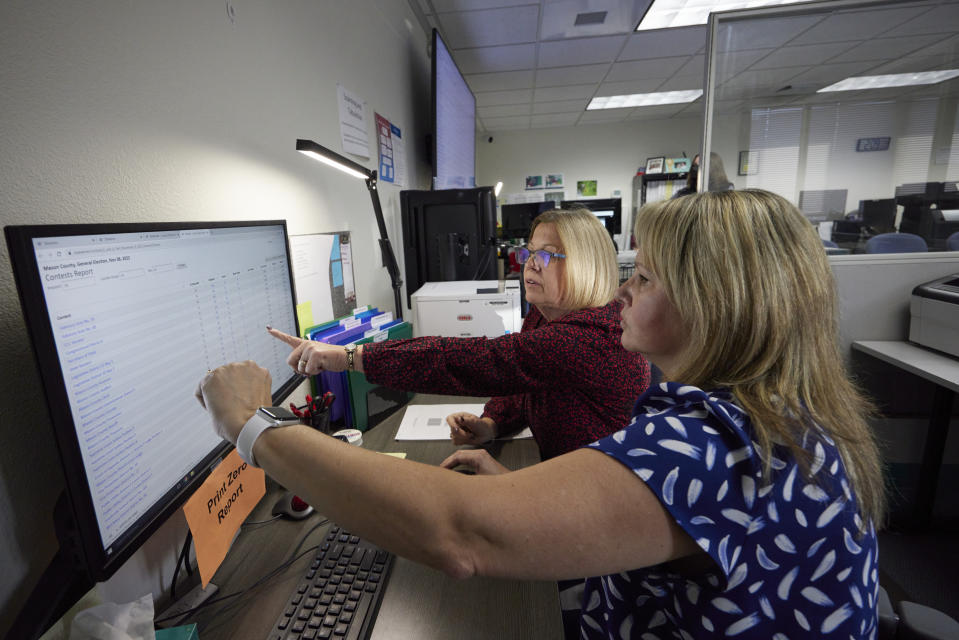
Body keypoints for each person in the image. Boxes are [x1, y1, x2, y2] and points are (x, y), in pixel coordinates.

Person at [197, 189, 885, 638]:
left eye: (643, 278)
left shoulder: (709, 446)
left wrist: (254, 425)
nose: (624, 291)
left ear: (715, 303)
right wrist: (526, 480)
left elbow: (456, 532)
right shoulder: (768, 412)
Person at [268, 208, 650, 462]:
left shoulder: (586, 338)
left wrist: (346, 357)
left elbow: (475, 362)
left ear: (584, 265)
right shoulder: (546, 317)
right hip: (565, 477)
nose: (530, 264)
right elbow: (524, 380)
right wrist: (493, 423)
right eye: (529, 252)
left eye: (547, 255)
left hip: (594, 513)